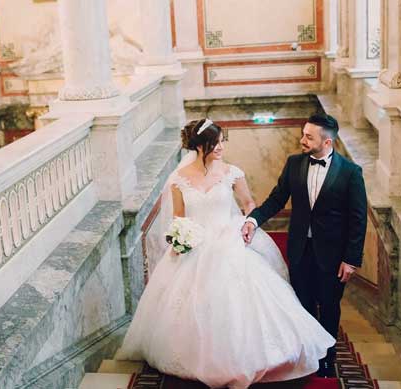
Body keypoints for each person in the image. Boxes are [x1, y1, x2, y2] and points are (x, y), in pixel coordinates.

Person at [115, 119, 335, 388]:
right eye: (215, 143)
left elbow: (248, 204)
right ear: (199, 146)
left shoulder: (233, 173)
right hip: (195, 246)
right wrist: (180, 238)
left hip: (229, 240)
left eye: (222, 141)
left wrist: (246, 225)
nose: (221, 146)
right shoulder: (178, 180)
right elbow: (179, 218)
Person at [242, 112, 368, 377]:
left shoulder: (351, 173)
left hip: (333, 255)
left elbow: (358, 220)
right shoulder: (294, 164)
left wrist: (351, 259)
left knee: (330, 305)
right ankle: (309, 354)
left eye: (309, 137)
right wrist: (253, 220)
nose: (302, 140)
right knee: (303, 302)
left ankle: (328, 357)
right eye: (303, 134)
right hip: (299, 248)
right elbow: (277, 199)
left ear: (327, 143)